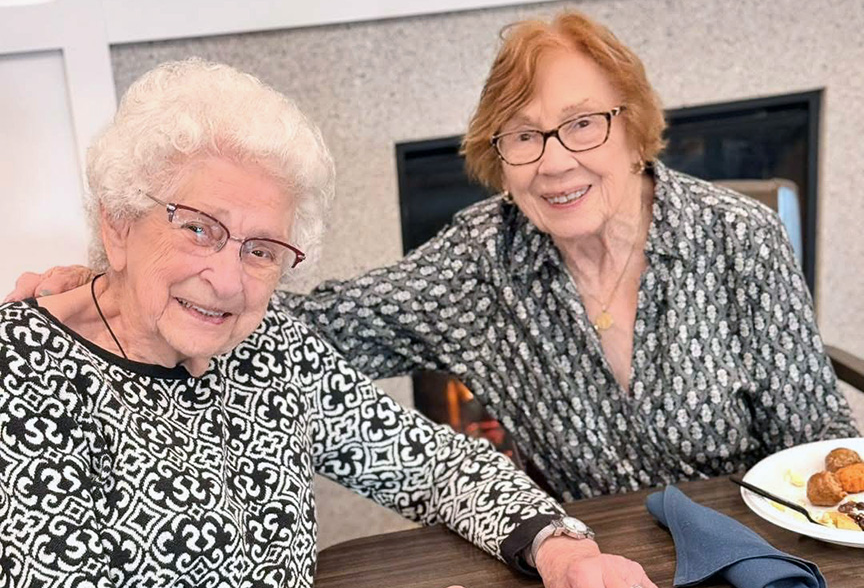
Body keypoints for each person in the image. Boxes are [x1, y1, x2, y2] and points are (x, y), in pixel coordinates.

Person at [0, 59, 657, 588]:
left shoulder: (269, 343)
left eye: (260, 249)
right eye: (199, 228)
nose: (228, 279)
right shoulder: (22, 378)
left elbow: (432, 465)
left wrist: (559, 546)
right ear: (118, 226)